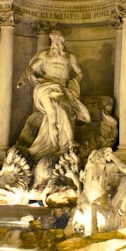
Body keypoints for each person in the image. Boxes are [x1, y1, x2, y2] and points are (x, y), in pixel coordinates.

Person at [17, 30, 91, 159]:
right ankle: (53, 146)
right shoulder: (44, 54)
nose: (56, 42)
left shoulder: (70, 57)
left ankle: (69, 142)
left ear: (62, 41)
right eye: (53, 39)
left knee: (62, 110)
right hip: (46, 86)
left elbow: (79, 73)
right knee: (51, 115)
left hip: (61, 88)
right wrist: (23, 77)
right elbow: (31, 68)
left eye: (58, 39)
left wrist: (75, 81)